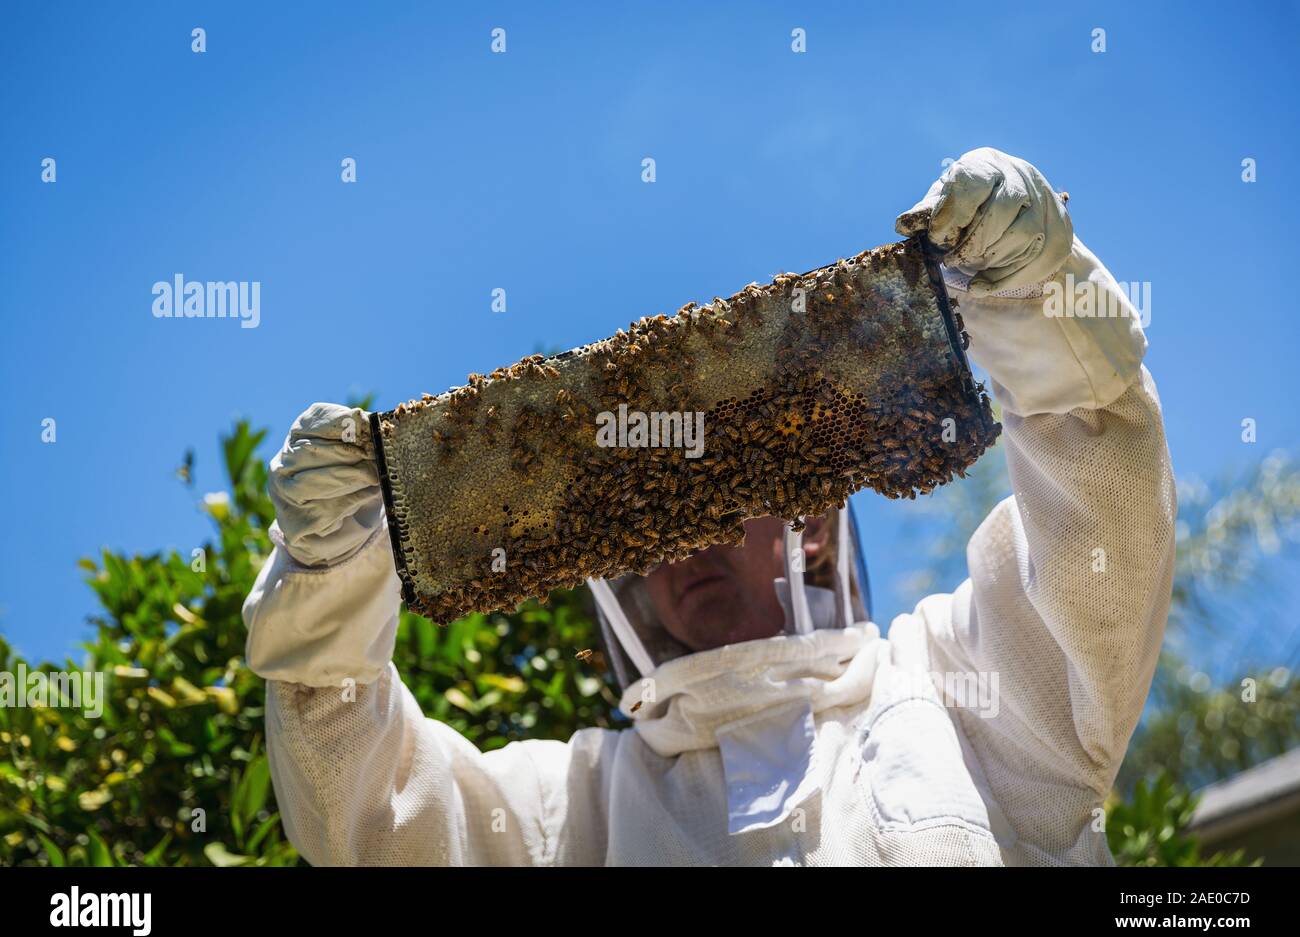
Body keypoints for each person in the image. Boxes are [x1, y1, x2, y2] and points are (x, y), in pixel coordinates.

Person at [244, 147, 1174, 865]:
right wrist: (329, 583)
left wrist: (1036, 302)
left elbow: (1103, 539)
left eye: (719, 490)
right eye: (642, 519)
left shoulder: (963, 691)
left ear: (811, 524)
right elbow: (370, 821)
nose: (676, 540)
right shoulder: (569, 812)